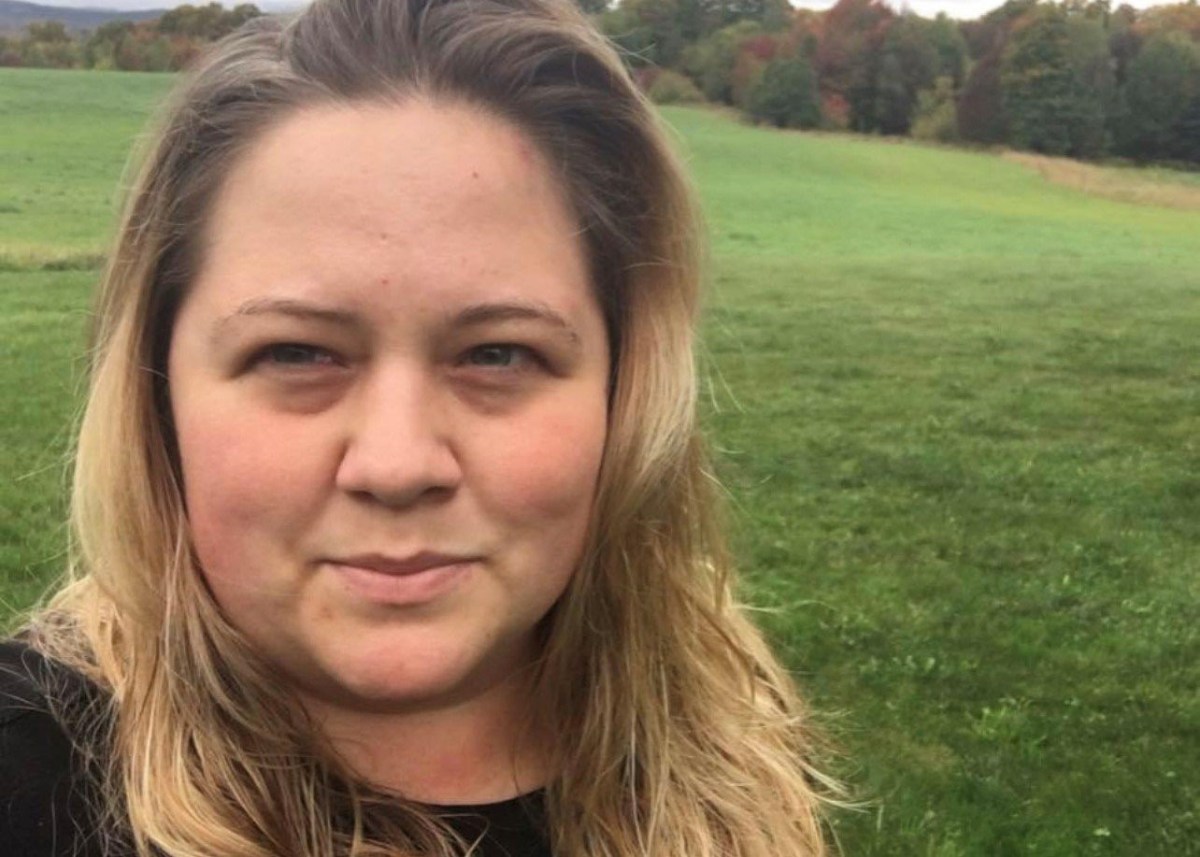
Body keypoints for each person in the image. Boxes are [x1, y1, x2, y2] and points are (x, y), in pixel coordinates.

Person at [0, 0, 836, 853]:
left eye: (499, 355)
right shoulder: (28, 779)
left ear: (626, 393)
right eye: (296, 352)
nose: (397, 464)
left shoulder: (735, 749)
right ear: (155, 393)